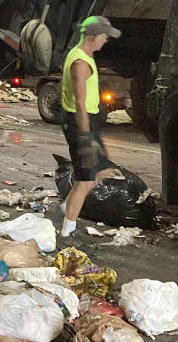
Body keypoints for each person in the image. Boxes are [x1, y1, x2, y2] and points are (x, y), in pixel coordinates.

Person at [58, 16, 121, 237]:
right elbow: (80, 104)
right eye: (104, 36)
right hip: (80, 123)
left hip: (86, 123)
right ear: (93, 36)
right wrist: (85, 136)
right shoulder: (80, 64)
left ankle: (67, 208)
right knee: (85, 180)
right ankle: (67, 231)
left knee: (99, 171)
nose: (105, 40)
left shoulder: (84, 56)